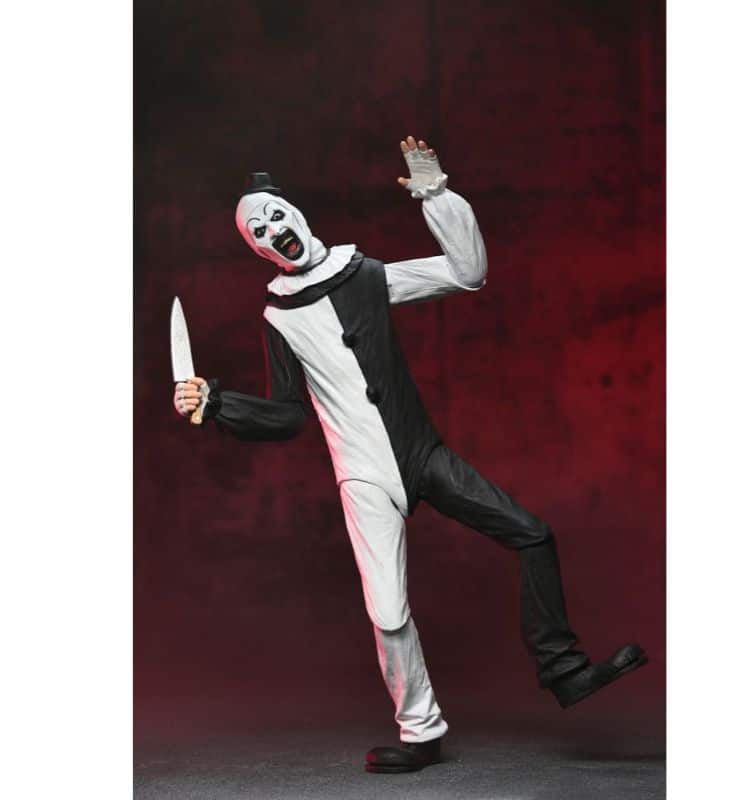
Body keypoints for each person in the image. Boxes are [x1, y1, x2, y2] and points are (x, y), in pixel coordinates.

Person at [172, 136, 647, 774]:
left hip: (424, 456)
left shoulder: (365, 276)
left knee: (532, 534)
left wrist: (437, 197)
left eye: (274, 216)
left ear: (297, 216)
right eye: (256, 231)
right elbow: (288, 416)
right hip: (365, 475)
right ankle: (420, 730)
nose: (270, 230)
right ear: (257, 249)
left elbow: (466, 273)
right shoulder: (279, 317)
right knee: (389, 610)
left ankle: (565, 671)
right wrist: (216, 403)